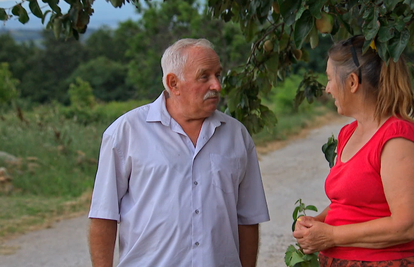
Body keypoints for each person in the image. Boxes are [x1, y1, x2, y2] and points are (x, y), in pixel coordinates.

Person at [88, 38, 270, 267]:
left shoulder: (236, 135)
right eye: (204, 76)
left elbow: (248, 218)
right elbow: (104, 215)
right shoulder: (126, 132)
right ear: (173, 83)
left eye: (217, 75)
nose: (217, 86)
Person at [292, 35, 414, 266]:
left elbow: (406, 225)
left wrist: (332, 235)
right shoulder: (347, 133)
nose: (327, 89)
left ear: (352, 82)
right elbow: (350, 202)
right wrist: (317, 222)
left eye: (329, 78)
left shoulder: (397, 137)